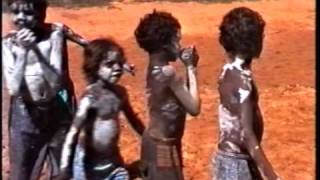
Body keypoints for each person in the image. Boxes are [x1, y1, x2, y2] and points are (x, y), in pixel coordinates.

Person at [2, 0, 88, 179]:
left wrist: (117, 59)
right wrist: (24, 52)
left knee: (63, 163)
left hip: (57, 108)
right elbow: (13, 88)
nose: (21, 19)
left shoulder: (55, 33)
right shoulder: (8, 44)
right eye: (15, 13)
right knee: (22, 167)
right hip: (25, 113)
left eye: (28, 13)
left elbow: (55, 81)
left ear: (41, 13)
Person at [58, 38, 145, 180]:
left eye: (120, 63)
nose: (117, 68)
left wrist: (149, 140)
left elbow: (134, 121)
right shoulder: (91, 98)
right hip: (87, 165)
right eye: (110, 65)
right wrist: (64, 168)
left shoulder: (120, 93)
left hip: (113, 162)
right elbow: (73, 133)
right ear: (94, 68)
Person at [212, 7, 280, 180]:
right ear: (253, 43)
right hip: (238, 165)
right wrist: (272, 176)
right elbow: (247, 134)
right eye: (260, 36)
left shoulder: (227, 72)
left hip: (228, 161)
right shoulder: (243, 83)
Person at [134, 10, 201, 180]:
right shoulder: (168, 72)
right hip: (164, 147)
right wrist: (191, 68)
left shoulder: (153, 68)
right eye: (177, 40)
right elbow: (193, 107)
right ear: (166, 45)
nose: (179, 45)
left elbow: (179, 99)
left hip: (152, 143)